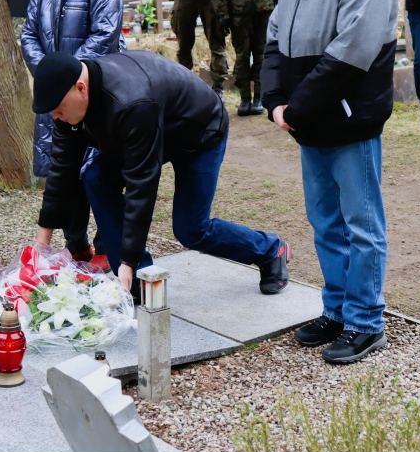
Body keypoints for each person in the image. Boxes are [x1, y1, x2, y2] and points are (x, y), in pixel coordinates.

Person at [262, 0, 397, 364]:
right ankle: (337, 309)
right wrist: (274, 94)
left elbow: (352, 50)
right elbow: (276, 32)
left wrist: (297, 106)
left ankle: (366, 320)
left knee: (360, 222)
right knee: (325, 222)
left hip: (347, 116)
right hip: (308, 118)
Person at [32, 50, 290, 296]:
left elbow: (141, 185)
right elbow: (61, 169)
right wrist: (42, 245)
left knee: (191, 229)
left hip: (198, 133)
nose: (55, 116)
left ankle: (270, 250)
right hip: (153, 128)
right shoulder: (67, 106)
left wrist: (128, 260)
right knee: (96, 178)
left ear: (81, 88)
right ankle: (139, 280)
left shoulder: (132, 102)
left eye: (58, 108)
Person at [21, 0, 124, 266]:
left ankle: (110, 245)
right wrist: (49, 76)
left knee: (97, 173)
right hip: (59, 96)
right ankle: (76, 244)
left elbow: (106, 33)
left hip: (91, 92)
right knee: (62, 174)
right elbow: (28, 34)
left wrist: (66, 75)